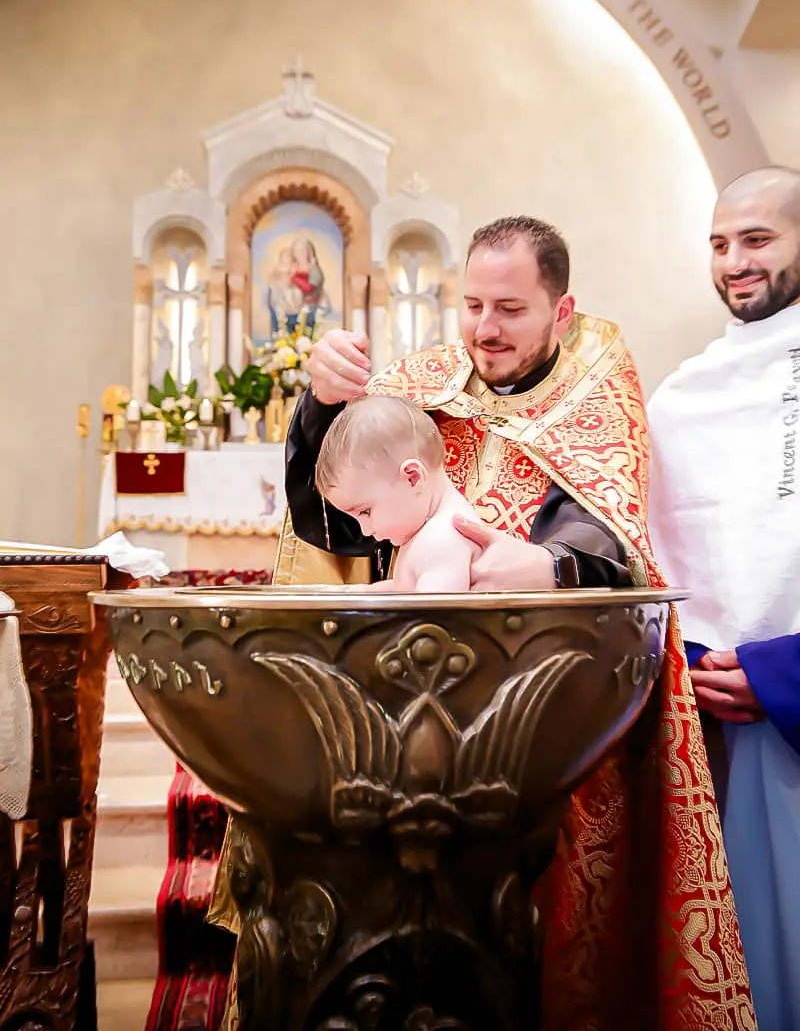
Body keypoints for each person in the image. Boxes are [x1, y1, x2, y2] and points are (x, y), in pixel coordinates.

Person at [211, 215, 753, 1030]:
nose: (484, 329)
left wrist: (552, 565)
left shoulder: (598, 382)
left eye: (510, 309)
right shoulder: (425, 381)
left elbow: (608, 513)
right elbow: (345, 523)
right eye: (471, 305)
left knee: (535, 945)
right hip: (403, 720)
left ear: (560, 312)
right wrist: (321, 406)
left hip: (544, 714)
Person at [647, 165, 800, 1030]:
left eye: (757, 239)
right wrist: (700, 664)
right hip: (712, 726)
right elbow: (660, 552)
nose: (734, 262)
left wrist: (786, 672)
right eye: (718, 243)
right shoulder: (682, 395)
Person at [315, 393, 480, 591]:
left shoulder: (442, 540)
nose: (365, 531)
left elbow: (432, 619)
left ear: (413, 478)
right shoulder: (429, 532)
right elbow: (405, 589)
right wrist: (357, 593)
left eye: (365, 512)